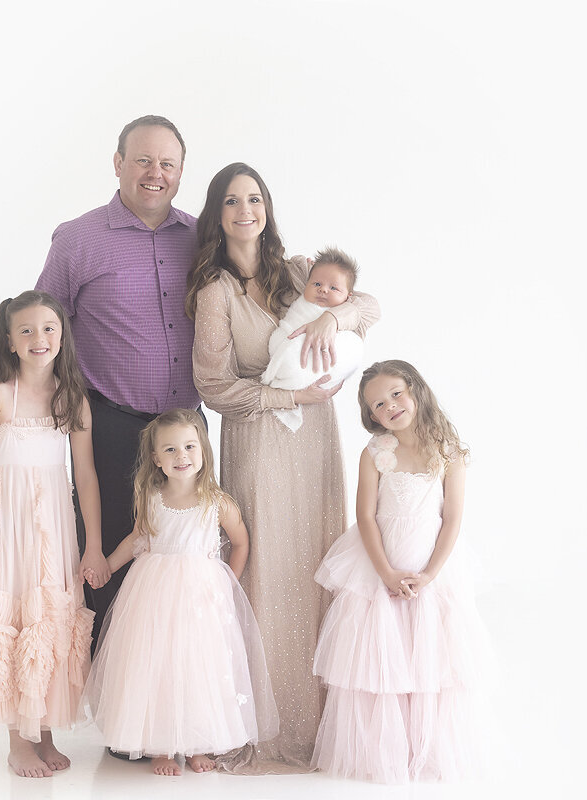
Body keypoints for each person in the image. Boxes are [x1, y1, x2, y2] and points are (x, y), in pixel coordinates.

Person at [186, 162, 380, 773]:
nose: (247, 210)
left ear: (267, 207)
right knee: (266, 565)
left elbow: (370, 304)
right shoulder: (216, 292)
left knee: (316, 556)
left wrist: (332, 317)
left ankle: (324, 722)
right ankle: (261, 721)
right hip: (259, 437)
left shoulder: (298, 271)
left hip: (317, 440)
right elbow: (214, 386)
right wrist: (289, 397)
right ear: (217, 215)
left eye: (256, 198)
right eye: (233, 201)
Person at [35, 115, 199, 654]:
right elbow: (41, 325)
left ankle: (173, 702)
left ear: (180, 172)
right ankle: (116, 709)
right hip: (108, 426)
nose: (156, 173)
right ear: (118, 164)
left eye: (167, 164)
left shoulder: (201, 238)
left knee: (182, 561)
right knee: (107, 563)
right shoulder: (78, 239)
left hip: (186, 432)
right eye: (144, 160)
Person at [311, 360, 495, 783]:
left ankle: (425, 746)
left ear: (415, 390)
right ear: (371, 416)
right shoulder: (376, 452)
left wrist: (428, 574)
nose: (390, 406)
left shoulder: (447, 449)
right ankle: (385, 748)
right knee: (381, 655)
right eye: (378, 404)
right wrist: (386, 573)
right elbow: (366, 516)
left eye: (396, 393)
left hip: (432, 564)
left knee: (431, 654)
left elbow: (452, 519)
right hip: (381, 563)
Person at [82, 409, 278, 776]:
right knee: (157, 665)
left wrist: (227, 583)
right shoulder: (152, 496)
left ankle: (194, 744)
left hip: (200, 599)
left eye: (189, 447)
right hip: (153, 597)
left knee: (197, 665)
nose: (181, 456)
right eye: (170, 450)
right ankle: (161, 746)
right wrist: (108, 564)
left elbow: (240, 542)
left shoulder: (217, 502)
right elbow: (139, 539)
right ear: (156, 459)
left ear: (203, 451)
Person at [0, 292, 100, 778]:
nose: (39, 339)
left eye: (48, 329)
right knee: (16, 611)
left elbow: (86, 476)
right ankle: (19, 740)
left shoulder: (73, 396)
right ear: (9, 340)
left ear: (62, 334)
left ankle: (46, 730)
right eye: (26, 331)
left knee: (51, 615)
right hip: (10, 522)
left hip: (54, 523)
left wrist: (95, 543)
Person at [260, 247, 365, 432]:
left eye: (333, 288)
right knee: (282, 343)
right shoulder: (300, 303)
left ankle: (291, 374)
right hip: (285, 343)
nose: (323, 290)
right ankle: (286, 373)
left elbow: (372, 308)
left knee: (354, 345)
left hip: (312, 383)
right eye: (316, 284)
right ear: (306, 284)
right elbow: (289, 325)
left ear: (348, 297)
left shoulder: (345, 314)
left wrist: (330, 319)